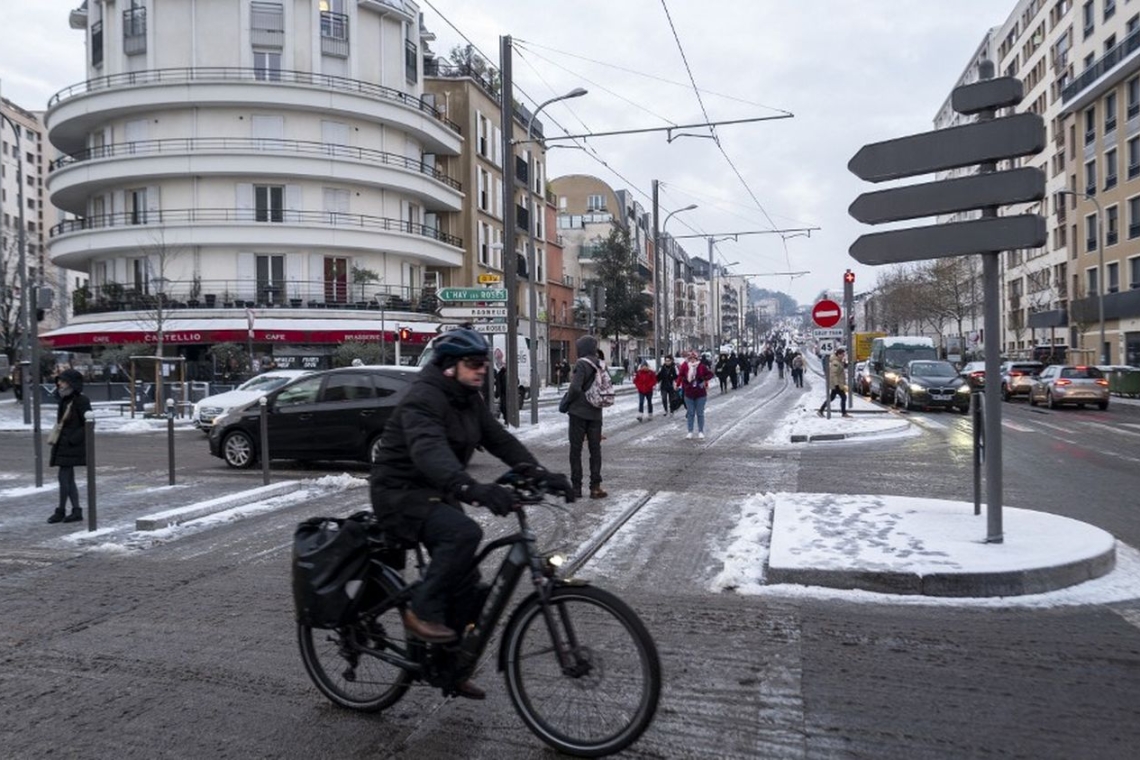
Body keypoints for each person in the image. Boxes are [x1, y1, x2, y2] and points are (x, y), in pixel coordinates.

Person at [370, 328, 573, 699]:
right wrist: (470, 488)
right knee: (462, 534)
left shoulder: (467, 398)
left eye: (484, 363)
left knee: (469, 586)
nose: (483, 370)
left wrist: (538, 473)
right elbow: (429, 450)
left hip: (436, 491)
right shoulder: (425, 398)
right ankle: (421, 610)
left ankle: (448, 668)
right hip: (399, 492)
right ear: (449, 367)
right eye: (475, 363)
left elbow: (499, 438)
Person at [48, 369, 92, 524]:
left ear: (71, 383)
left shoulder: (81, 400)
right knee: (68, 479)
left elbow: (88, 423)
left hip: (72, 445)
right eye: (59, 380)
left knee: (64, 478)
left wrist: (72, 439)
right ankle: (76, 510)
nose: (59, 383)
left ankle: (61, 510)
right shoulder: (63, 399)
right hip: (63, 443)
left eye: (63, 381)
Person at [565, 335, 606, 499]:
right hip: (596, 413)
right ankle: (595, 487)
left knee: (576, 450)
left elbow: (575, 388)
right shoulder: (600, 364)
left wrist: (568, 401)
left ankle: (576, 488)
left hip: (578, 413)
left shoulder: (581, 364)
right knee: (595, 450)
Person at [677, 349, 714, 440]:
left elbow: (710, 374)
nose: (692, 360)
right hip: (688, 393)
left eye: (694, 358)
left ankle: (700, 431)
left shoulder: (701, 366)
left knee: (700, 413)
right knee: (690, 413)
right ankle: (690, 431)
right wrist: (679, 383)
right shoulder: (685, 366)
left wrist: (703, 378)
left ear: (697, 358)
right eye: (690, 358)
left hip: (700, 393)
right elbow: (680, 376)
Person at [818, 348, 851, 417]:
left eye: (844, 354)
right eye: (842, 354)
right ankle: (843, 413)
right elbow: (834, 374)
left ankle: (821, 410)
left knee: (831, 398)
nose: (843, 356)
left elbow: (839, 370)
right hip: (837, 384)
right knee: (843, 397)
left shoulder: (838, 362)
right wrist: (836, 385)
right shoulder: (835, 363)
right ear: (838, 354)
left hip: (838, 384)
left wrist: (844, 365)